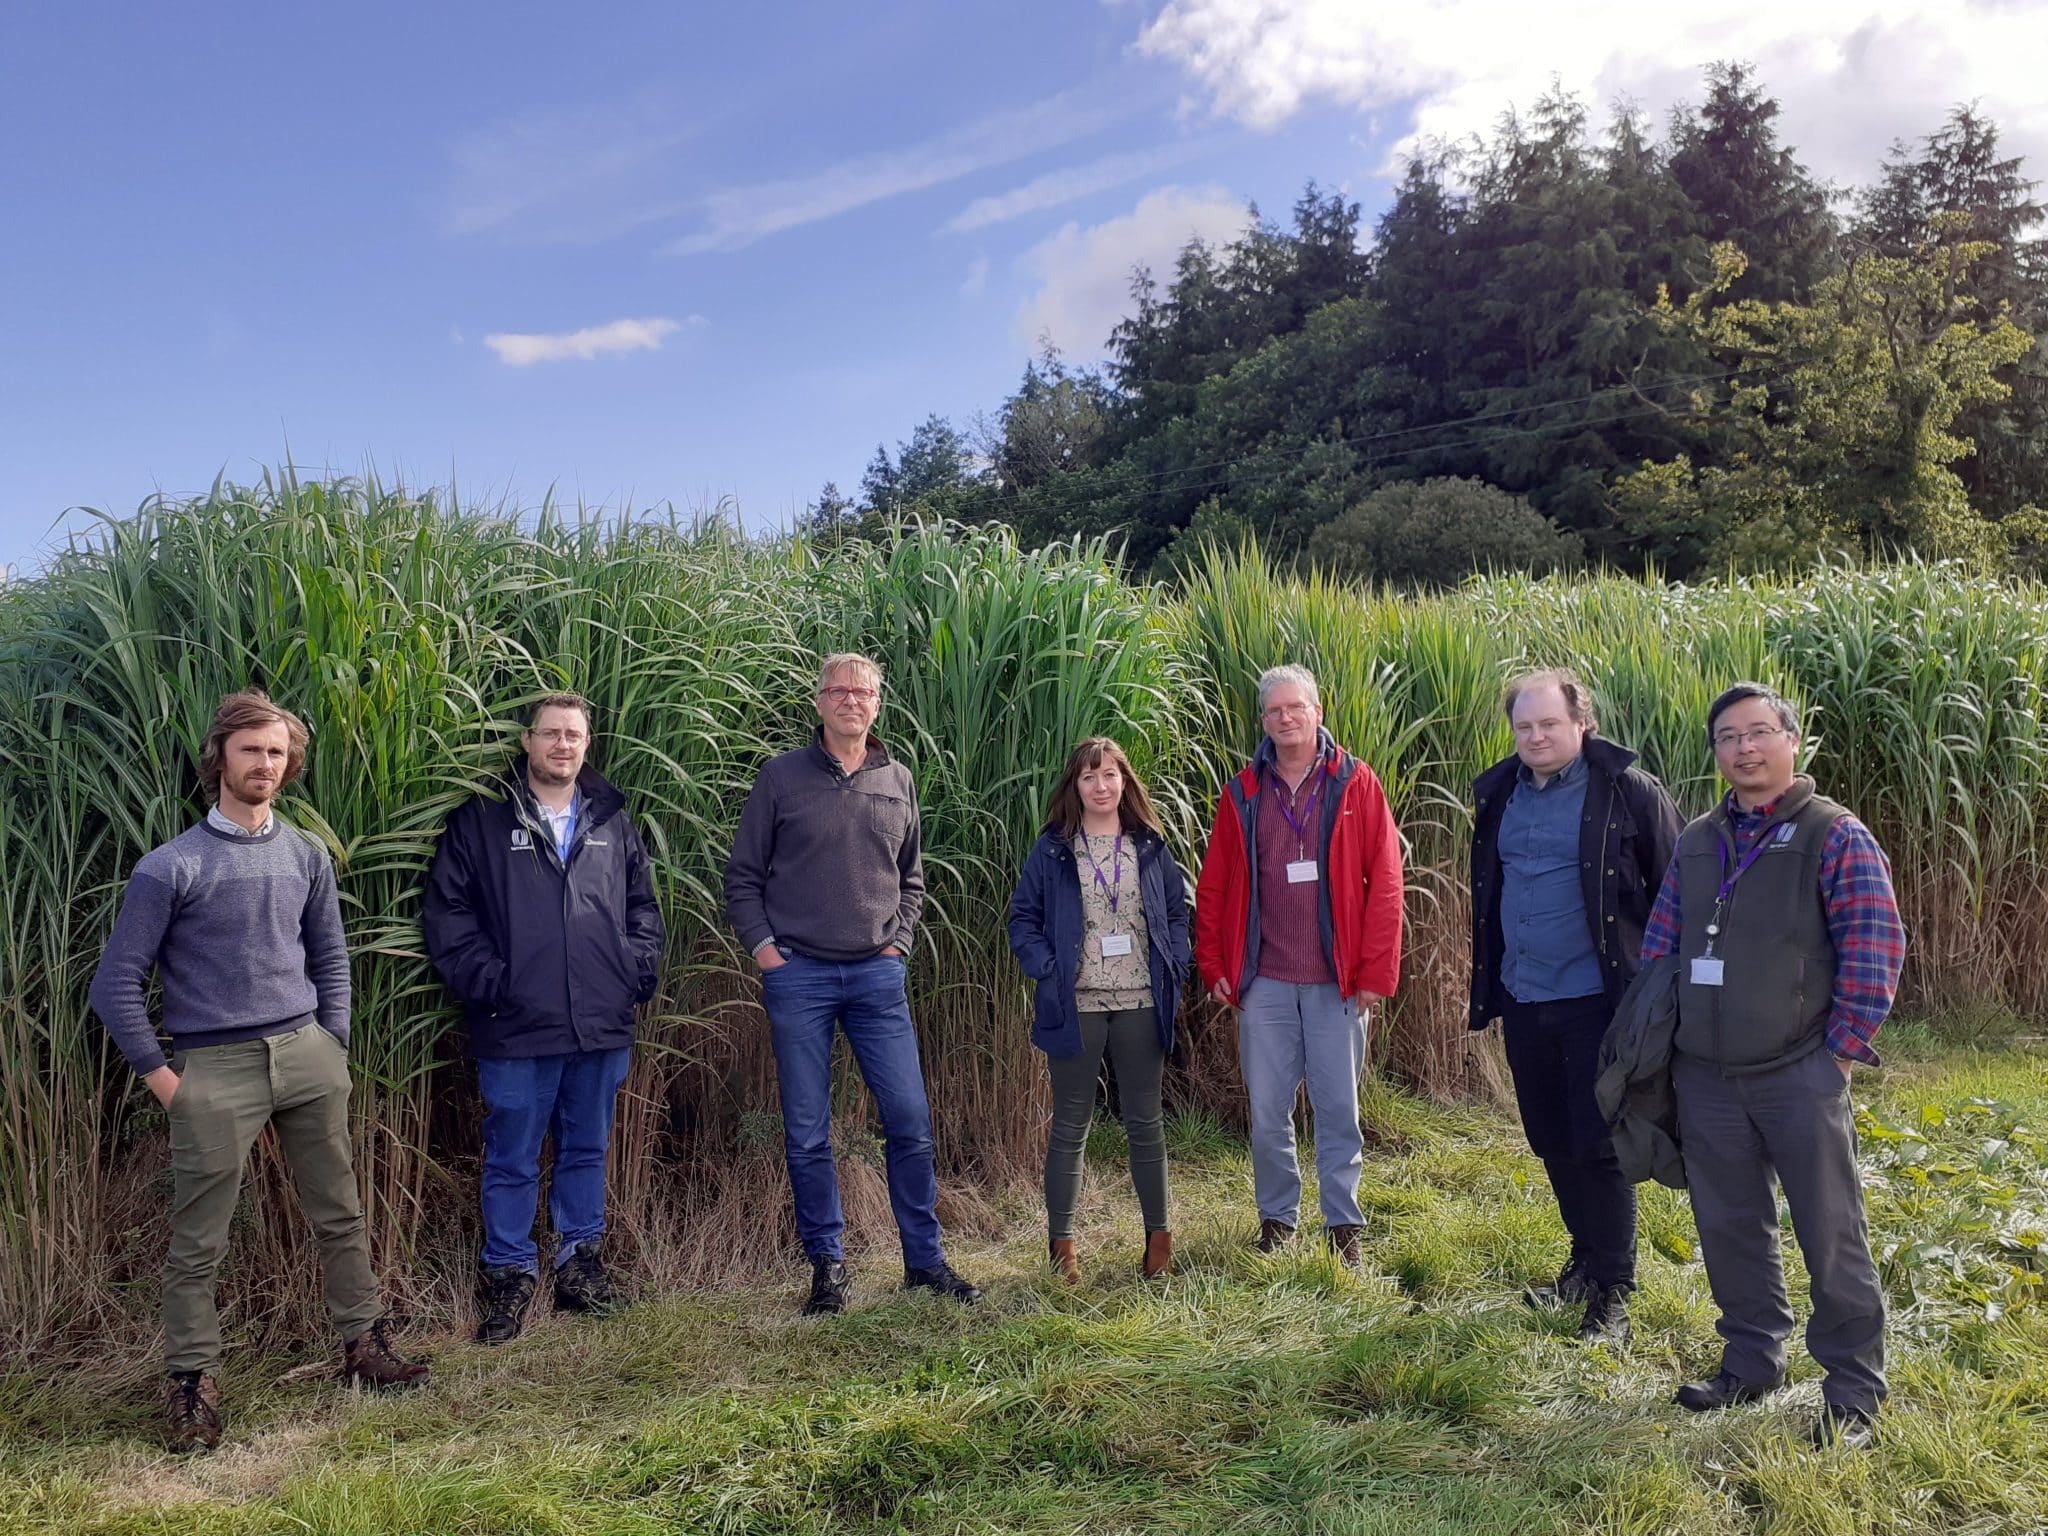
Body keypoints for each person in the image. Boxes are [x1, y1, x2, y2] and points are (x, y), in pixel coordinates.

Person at [89, 689, 428, 1454]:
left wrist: (333, 1044)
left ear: (291, 762)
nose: (265, 764)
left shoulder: (304, 853)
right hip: (214, 1067)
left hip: (307, 1054)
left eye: (277, 752)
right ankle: (190, 1386)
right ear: (220, 758)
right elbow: (112, 987)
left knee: (340, 1211)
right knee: (198, 1240)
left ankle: (366, 1349)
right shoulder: (171, 866)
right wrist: (166, 1079)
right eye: (251, 751)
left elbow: (331, 956)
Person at [1643, 682, 1904, 1450]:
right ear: (1717, 752)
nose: (1745, 749)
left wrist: (1841, 1056)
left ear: (1792, 741)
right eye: (1728, 737)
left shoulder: (1835, 834)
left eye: (1760, 733)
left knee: (1832, 1234)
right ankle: (1752, 1362)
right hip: (1707, 1076)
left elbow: (1874, 946)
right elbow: (1662, 950)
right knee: (1728, 1225)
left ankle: (1853, 1391)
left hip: (1800, 1072)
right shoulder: (1696, 841)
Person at [724, 653, 982, 1315]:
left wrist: (898, 944)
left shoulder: (897, 777)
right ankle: (828, 1270)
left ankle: (924, 1263)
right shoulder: (780, 777)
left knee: (910, 1120)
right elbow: (743, 878)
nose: (850, 701)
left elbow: (913, 877)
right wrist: (766, 952)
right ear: (819, 702)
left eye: (862, 692)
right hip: (799, 975)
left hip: (876, 974)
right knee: (809, 1130)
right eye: (838, 691)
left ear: (877, 703)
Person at [423, 692, 665, 1344]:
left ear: (588, 745)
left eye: (575, 735)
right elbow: (449, 917)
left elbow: (642, 907)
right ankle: (508, 1275)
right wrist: (493, 986)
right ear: (528, 741)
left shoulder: (611, 819)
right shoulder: (481, 820)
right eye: (551, 734)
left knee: (586, 1150)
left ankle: (579, 1266)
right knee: (512, 1156)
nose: (563, 745)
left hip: (599, 1022)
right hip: (515, 1023)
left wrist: (633, 975)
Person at [1469, 668, 1681, 1344]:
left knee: (1599, 1145)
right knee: (1551, 1137)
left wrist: (1666, 991)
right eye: (1524, 726)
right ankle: (1583, 1265)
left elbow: (1677, 886)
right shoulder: (1500, 794)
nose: (1535, 736)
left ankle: (1615, 1293)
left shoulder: (1625, 790)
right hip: (1524, 994)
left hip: (1600, 1000)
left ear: (1580, 724)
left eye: (1548, 724)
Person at [1194, 664, 1404, 1267]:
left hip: (1336, 981)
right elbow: (1214, 887)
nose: (1285, 719)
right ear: (1263, 721)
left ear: (1317, 711)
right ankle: (1277, 1221)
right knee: (1267, 1112)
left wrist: (1374, 974)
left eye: (1296, 708)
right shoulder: (1242, 793)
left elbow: (1387, 882)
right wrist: (1215, 964)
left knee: (1339, 1109)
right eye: (1274, 711)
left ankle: (1343, 1227)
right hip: (1265, 980)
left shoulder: (1356, 783)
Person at [1007, 737, 1191, 1283]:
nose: (1101, 786)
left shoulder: (1151, 846)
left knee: (1146, 1123)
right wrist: (1048, 966)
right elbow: (1022, 919)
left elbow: (1177, 915)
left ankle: (1159, 1240)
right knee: (1070, 1125)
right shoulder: (1054, 849)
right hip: (1076, 1004)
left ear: (1125, 782)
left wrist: (1176, 962)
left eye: (1110, 775)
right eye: (1089, 777)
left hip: (1142, 1001)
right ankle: (1062, 1247)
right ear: (1075, 787)